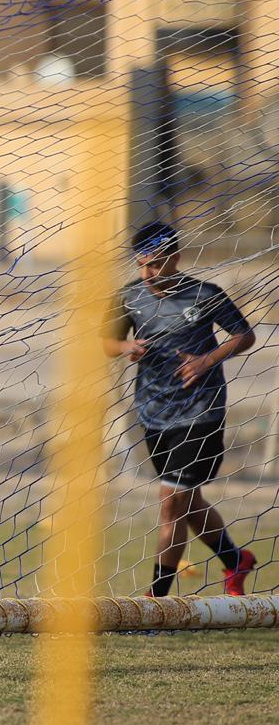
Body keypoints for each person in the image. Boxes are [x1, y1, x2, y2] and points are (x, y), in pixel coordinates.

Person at [102, 221, 257, 597]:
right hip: (152, 413)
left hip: (201, 412)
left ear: (175, 258)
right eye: (141, 264)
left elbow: (245, 335)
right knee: (188, 504)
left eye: (154, 264)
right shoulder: (129, 296)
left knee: (171, 505)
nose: (146, 273)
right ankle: (236, 561)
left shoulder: (205, 294)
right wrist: (126, 348)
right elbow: (106, 341)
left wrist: (206, 360)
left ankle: (157, 601)